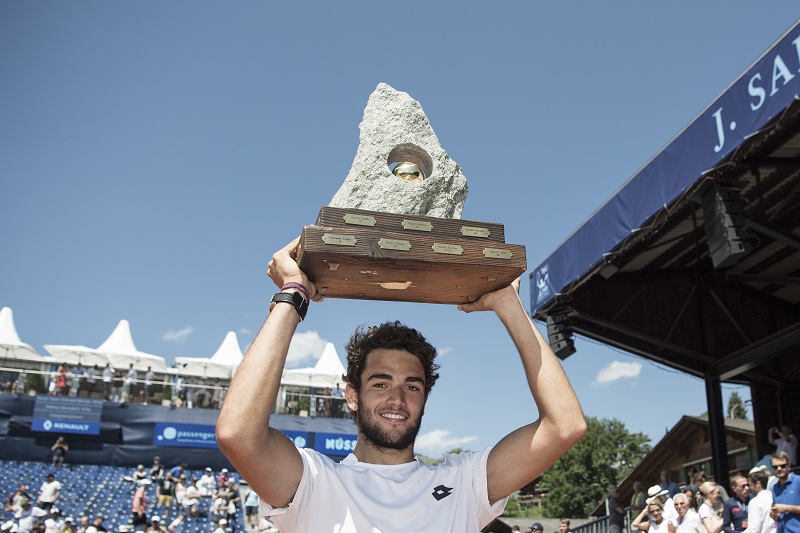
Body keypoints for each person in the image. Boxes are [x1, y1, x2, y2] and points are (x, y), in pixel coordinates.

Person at [216, 238, 587, 532]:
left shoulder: (465, 482)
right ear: (352, 395)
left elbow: (565, 425)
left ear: (425, 398)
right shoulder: (314, 482)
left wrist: (509, 305)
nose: (397, 398)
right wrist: (293, 293)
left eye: (412, 387)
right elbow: (238, 435)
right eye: (380, 384)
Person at [770, 450, 800, 533]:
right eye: (775, 467)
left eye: (782, 466)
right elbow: (779, 513)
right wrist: (774, 515)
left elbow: (784, 508)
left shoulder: (798, 481)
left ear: (789, 466)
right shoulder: (774, 488)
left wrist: (787, 508)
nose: (779, 469)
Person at [744, 467, 775, 533]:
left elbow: (754, 530)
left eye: (750, 485)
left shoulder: (755, 502)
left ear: (757, 484)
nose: (749, 488)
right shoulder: (774, 497)